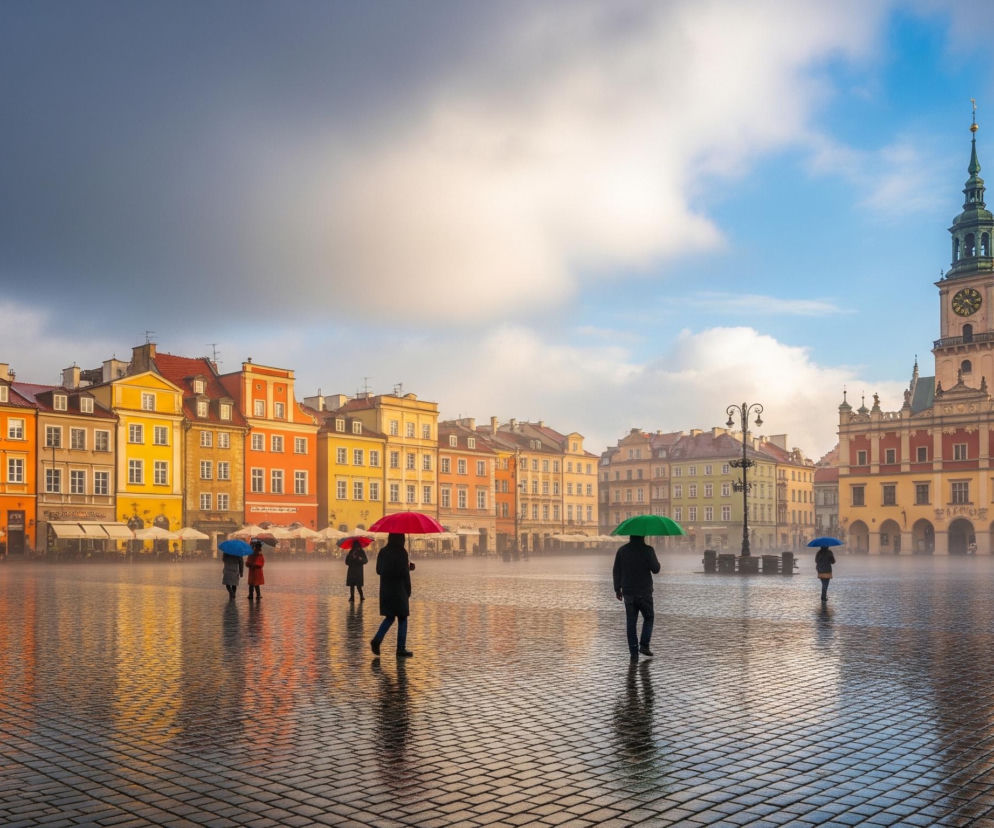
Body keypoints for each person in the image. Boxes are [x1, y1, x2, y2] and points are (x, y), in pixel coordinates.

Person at [613, 535, 661, 663]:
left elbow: (616, 570)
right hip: (645, 592)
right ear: (643, 536)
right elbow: (656, 569)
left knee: (631, 623)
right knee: (649, 617)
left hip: (628, 592)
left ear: (630, 536)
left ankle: (633, 652)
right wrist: (654, 558)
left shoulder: (622, 551)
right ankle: (644, 645)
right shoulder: (648, 550)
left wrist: (617, 589)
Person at [370, 533, 415, 658]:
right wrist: (408, 588)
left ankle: (377, 640)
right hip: (399, 590)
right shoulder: (402, 552)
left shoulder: (383, 551)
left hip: (386, 590)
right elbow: (403, 573)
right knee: (402, 618)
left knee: (389, 617)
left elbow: (379, 570)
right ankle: (401, 649)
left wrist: (405, 567)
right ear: (401, 539)